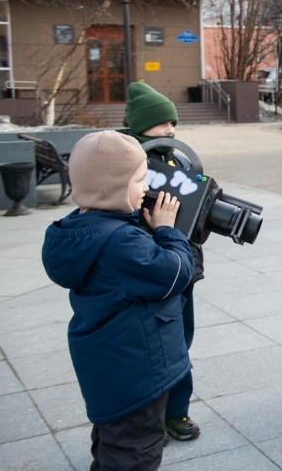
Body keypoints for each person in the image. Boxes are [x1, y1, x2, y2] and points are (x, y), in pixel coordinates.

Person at [41, 131, 193, 471]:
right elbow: (175, 274)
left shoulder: (79, 230)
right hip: (137, 372)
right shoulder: (122, 243)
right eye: (140, 181)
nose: (147, 189)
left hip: (109, 368)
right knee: (135, 454)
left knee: (114, 443)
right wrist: (169, 231)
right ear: (114, 187)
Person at [124, 82, 202, 442]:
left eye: (173, 122)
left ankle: (177, 412)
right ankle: (148, 416)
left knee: (180, 342)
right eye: (163, 124)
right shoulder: (126, 161)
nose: (172, 130)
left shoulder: (178, 159)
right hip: (149, 264)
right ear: (142, 125)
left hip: (182, 266)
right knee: (152, 347)